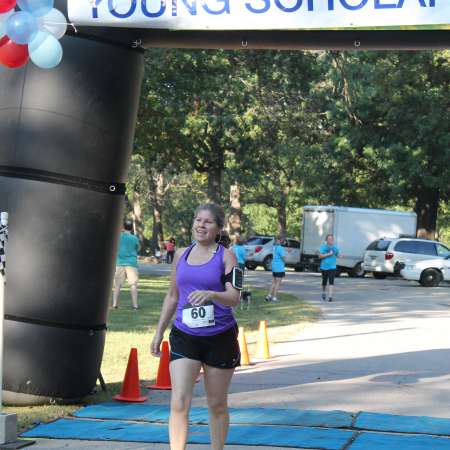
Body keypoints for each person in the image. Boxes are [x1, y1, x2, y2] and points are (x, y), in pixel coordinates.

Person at [150, 203, 241, 450]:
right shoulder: (181, 254)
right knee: (178, 402)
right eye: (198, 220)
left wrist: (212, 295)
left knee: (217, 404)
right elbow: (172, 295)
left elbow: (235, 297)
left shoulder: (228, 257)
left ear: (218, 228)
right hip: (184, 335)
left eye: (207, 222)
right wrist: (159, 332)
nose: (201, 225)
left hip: (219, 336)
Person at [112, 219, 141, 310]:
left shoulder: (118, 237)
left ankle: (115, 304)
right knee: (133, 285)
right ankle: (135, 306)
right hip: (131, 263)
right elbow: (138, 248)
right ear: (132, 228)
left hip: (119, 263)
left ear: (123, 227)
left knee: (117, 285)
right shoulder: (134, 238)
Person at [319, 234, 340, 302]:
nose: (331, 240)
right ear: (326, 240)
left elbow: (337, 254)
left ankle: (330, 297)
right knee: (324, 281)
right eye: (329, 239)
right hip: (324, 267)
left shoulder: (335, 248)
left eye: (332, 239)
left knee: (331, 281)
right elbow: (320, 256)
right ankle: (324, 292)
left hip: (332, 267)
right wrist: (329, 254)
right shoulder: (323, 247)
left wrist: (339, 255)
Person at [265, 236, 286, 303]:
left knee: (273, 282)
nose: (284, 241)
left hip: (274, 267)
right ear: (279, 240)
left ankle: (269, 296)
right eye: (283, 240)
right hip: (279, 268)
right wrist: (285, 260)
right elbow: (284, 258)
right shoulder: (280, 248)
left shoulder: (274, 248)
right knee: (278, 283)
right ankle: (274, 297)